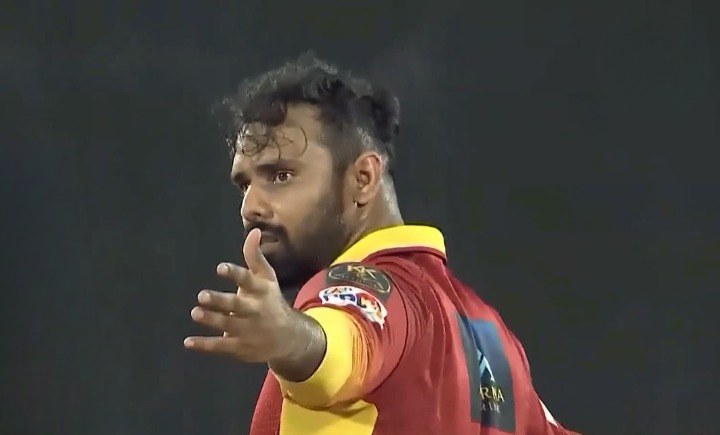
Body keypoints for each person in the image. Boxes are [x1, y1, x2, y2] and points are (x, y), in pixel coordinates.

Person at [184, 53, 583, 435]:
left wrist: (290, 336)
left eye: (281, 175)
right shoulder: (494, 339)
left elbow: (347, 341)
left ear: (363, 178)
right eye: (244, 185)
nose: (250, 207)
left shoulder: (366, 285)